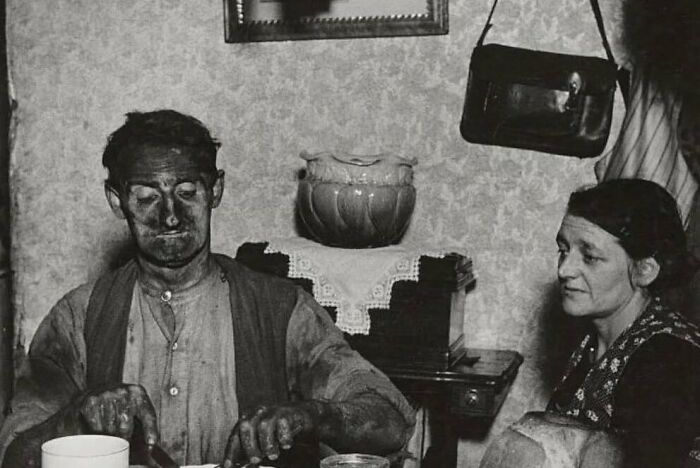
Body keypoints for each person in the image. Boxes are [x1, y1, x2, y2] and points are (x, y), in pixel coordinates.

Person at [0, 110, 415, 468]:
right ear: (116, 200)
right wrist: (77, 418)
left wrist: (313, 416)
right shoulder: (77, 317)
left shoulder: (280, 309)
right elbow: (15, 455)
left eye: (186, 193)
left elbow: (391, 423)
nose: (170, 216)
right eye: (146, 197)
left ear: (215, 190)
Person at [481, 178, 700, 468]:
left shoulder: (668, 358)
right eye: (564, 250)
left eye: (590, 257)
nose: (565, 269)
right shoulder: (597, 341)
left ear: (645, 270)